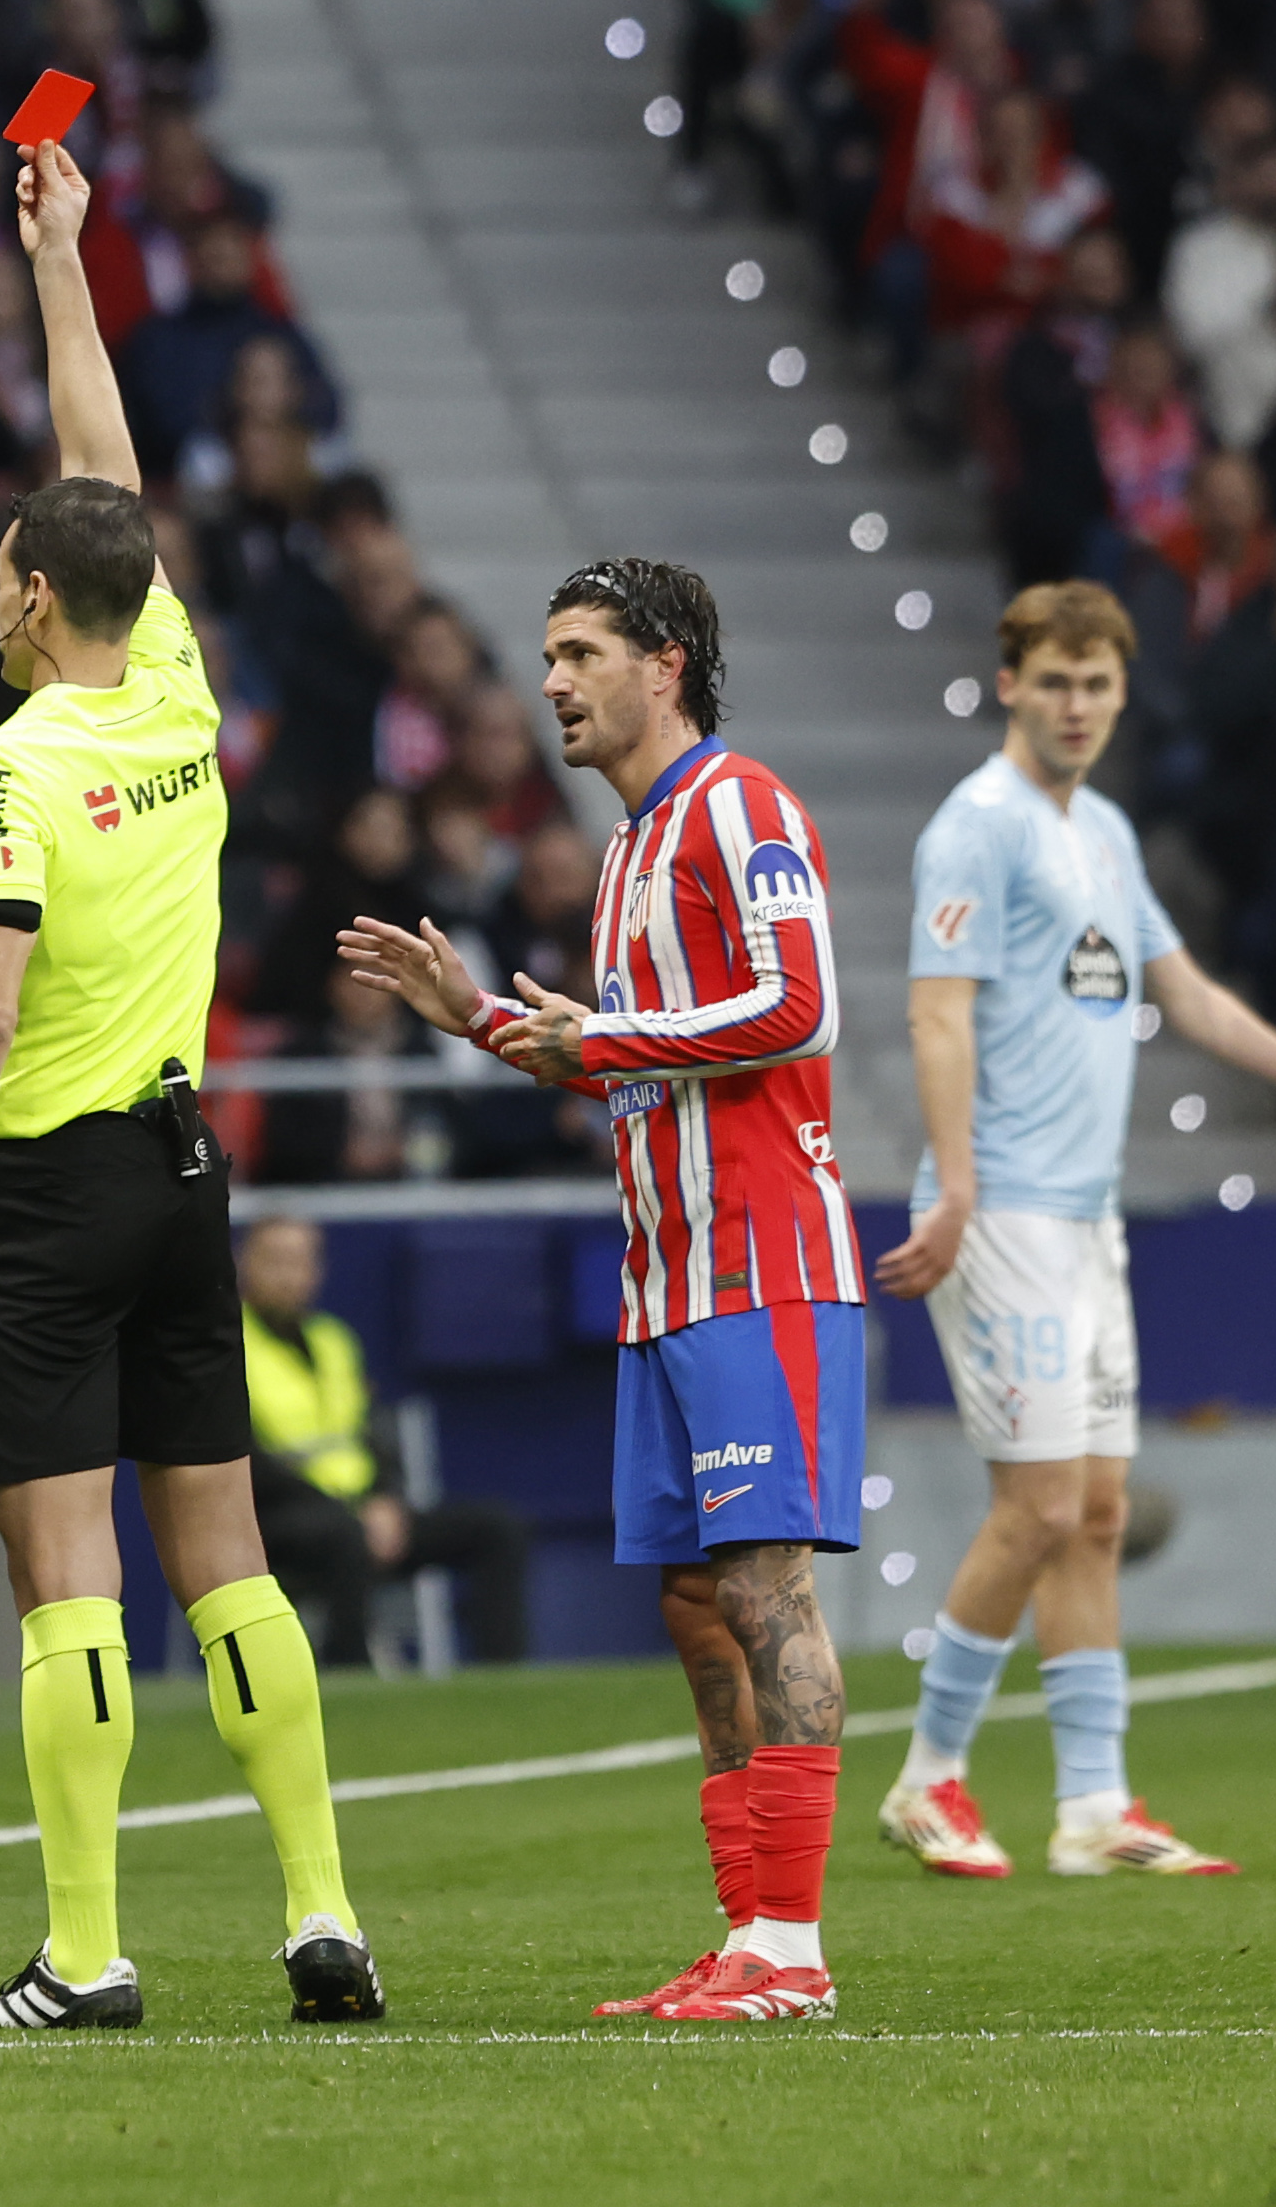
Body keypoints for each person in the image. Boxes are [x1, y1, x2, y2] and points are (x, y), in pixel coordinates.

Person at [0, 139, 380, 2035]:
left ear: (28, 600)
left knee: (66, 1578)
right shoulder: (173, 690)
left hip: (42, 1193)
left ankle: (85, 1952)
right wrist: (61, 261)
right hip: (180, 1171)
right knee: (225, 1557)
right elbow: (109, 484)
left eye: (5, 574)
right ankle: (320, 1912)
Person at [343, 557, 863, 2023]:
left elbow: (802, 1006)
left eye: (580, 653)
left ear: (666, 663)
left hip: (762, 1263)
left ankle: (796, 1954)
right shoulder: (629, 849)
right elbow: (624, 1064)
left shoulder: (741, 808)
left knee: (764, 1589)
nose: (552, 682)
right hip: (665, 1276)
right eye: (550, 655)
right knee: (696, 1606)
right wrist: (481, 1021)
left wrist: (608, 1039)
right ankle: (746, 1931)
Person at [871, 582, 1276, 1884]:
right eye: (1054, 681)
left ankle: (1094, 1808)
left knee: (1097, 1511)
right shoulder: (976, 828)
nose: (1076, 706)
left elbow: (1188, 994)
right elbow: (936, 1012)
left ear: (1119, 693)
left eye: (1097, 685)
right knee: (1039, 1505)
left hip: (1084, 1217)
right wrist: (953, 1187)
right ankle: (926, 1777)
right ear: (1010, 684)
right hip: (1000, 1206)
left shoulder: (1102, 829)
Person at [235, 1215, 527, 1667]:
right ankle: (349, 1674)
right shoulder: (229, 1345)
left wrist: (387, 1500)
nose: (289, 1276)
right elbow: (245, 1461)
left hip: (361, 1510)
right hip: (276, 1519)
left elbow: (374, 1434)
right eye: (275, 1261)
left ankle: (501, 1680)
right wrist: (347, 1512)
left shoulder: (334, 1340)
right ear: (244, 1264)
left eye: (302, 1261)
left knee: (497, 1529)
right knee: (344, 1536)